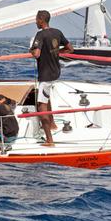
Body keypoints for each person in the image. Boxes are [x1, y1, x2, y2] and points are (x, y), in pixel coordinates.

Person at [29, 10, 73, 146]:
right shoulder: (57, 32)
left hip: (46, 75)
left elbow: (36, 54)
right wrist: (56, 52)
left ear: (41, 20)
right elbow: (70, 49)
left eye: (36, 19)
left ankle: (49, 140)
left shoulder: (40, 34)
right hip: (55, 72)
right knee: (46, 97)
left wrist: (31, 50)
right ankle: (52, 124)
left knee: (41, 105)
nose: (35, 21)